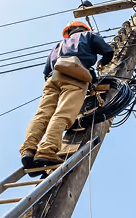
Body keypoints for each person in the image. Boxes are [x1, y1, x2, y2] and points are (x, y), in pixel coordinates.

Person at [19, 20, 114, 173]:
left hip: (52, 79)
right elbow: (108, 51)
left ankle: (28, 150)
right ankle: (47, 150)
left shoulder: (58, 46)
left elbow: (46, 71)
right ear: (83, 28)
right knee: (64, 113)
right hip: (75, 75)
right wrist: (102, 63)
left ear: (69, 31)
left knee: (42, 115)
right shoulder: (89, 35)